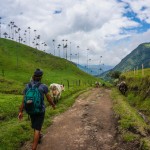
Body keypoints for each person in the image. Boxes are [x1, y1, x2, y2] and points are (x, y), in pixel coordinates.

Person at [18, 68, 55, 150]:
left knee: (35, 125)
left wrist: (20, 112)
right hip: (40, 111)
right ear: (41, 77)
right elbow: (49, 99)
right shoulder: (43, 86)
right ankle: (34, 147)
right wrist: (53, 105)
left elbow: (23, 101)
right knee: (37, 128)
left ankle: (39, 136)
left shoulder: (27, 86)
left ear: (34, 76)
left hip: (30, 110)